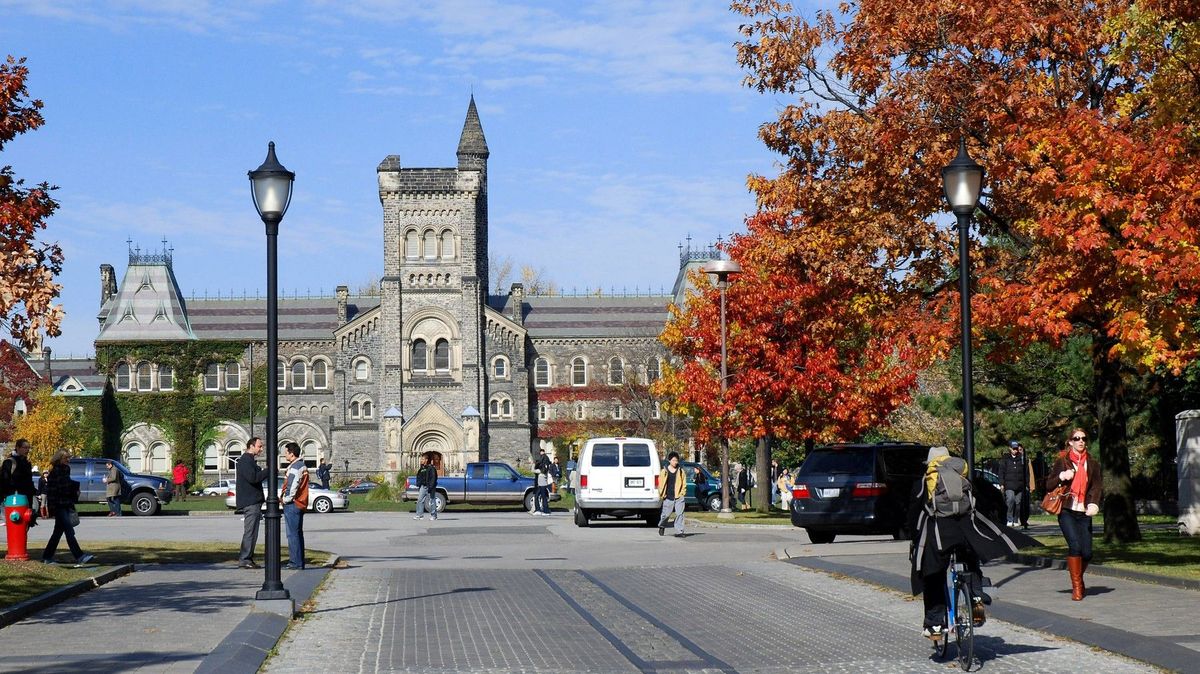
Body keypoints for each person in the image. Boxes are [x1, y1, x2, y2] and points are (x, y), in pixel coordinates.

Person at [909, 447, 1026, 639]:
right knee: (971, 563)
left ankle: (935, 625)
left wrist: (915, 539)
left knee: (933, 575)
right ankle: (977, 602)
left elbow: (914, 515)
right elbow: (984, 504)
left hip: (939, 535)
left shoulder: (923, 482)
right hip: (966, 532)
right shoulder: (964, 479)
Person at [1045, 427, 1103, 601]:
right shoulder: (1062, 461)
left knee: (1087, 553)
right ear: (1070, 442)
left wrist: (1093, 502)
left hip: (1084, 511)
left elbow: (1097, 486)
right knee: (1075, 546)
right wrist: (1062, 476)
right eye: (1076, 438)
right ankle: (1077, 587)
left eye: (1083, 439)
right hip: (1066, 510)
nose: (1081, 441)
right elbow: (1048, 485)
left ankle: (1079, 577)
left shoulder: (1092, 463)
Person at [41, 450, 94, 565]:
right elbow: (57, 488)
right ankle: (79, 556)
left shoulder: (65, 469)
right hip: (59, 504)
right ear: (59, 458)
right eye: (66, 458)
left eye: (68, 458)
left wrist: (74, 489)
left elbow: (67, 483)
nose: (68, 460)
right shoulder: (55, 471)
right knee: (69, 531)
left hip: (65, 503)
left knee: (58, 532)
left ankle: (47, 556)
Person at [235, 437, 268, 569]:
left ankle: (247, 557)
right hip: (251, 502)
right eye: (259, 446)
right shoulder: (245, 461)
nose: (261, 449)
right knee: (250, 532)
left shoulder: (249, 461)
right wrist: (268, 471)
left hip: (253, 501)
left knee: (252, 531)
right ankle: (245, 558)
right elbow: (253, 478)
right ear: (251, 446)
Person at [280, 442, 309, 570]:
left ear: (291, 454)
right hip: (300, 503)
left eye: (286, 452)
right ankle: (299, 561)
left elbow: (292, 485)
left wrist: (285, 500)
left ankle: (295, 562)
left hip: (293, 504)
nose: (284, 454)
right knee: (297, 534)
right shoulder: (302, 466)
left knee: (292, 534)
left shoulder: (295, 467)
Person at [0, 438, 39, 527]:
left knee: (26, 527)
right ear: (17, 448)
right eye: (24, 448)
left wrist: (33, 491)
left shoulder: (27, 463)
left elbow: (29, 481)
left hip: (27, 498)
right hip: (14, 499)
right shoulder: (9, 462)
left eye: (28, 448)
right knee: (16, 526)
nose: (27, 450)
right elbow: (4, 480)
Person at [997, 440, 1028, 527]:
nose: (1015, 450)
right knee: (1010, 500)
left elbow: (1026, 473)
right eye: (1013, 448)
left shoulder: (1022, 459)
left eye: (1016, 448)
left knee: (1018, 502)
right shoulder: (1005, 459)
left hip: (1020, 485)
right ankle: (1009, 519)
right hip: (1009, 484)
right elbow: (1001, 472)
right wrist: (1001, 483)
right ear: (1010, 448)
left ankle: (1015, 519)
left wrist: (1027, 484)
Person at [657, 451, 687, 537]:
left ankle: (679, 531)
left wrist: (682, 493)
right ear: (669, 460)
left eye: (676, 460)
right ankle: (662, 526)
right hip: (668, 496)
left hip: (679, 496)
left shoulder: (681, 471)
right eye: (673, 460)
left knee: (680, 514)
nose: (675, 462)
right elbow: (661, 483)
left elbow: (684, 483)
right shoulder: (664, 471)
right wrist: (662, 494)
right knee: (666, 515)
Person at [413, 456, 438, 521]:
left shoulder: (431, 468)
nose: (421, 460)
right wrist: (418, 484)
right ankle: (419, 515)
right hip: (423, 486)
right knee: (420, 500)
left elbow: (433, 478)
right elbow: (419, 476)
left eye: (423, 459)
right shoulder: (422, 468)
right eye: (421, 459)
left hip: (430, 487)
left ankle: (434, 516)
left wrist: (431, 486)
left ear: (426, 460)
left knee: (432, 500)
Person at [533, 448, 552, 516]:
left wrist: (535, 464)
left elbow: (536, 469)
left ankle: (545, 510)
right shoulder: (546, 459)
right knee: (540, 495)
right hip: (542, 481)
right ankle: (540, 509)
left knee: (541, 496)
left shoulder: (543, 459)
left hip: (542, 481)